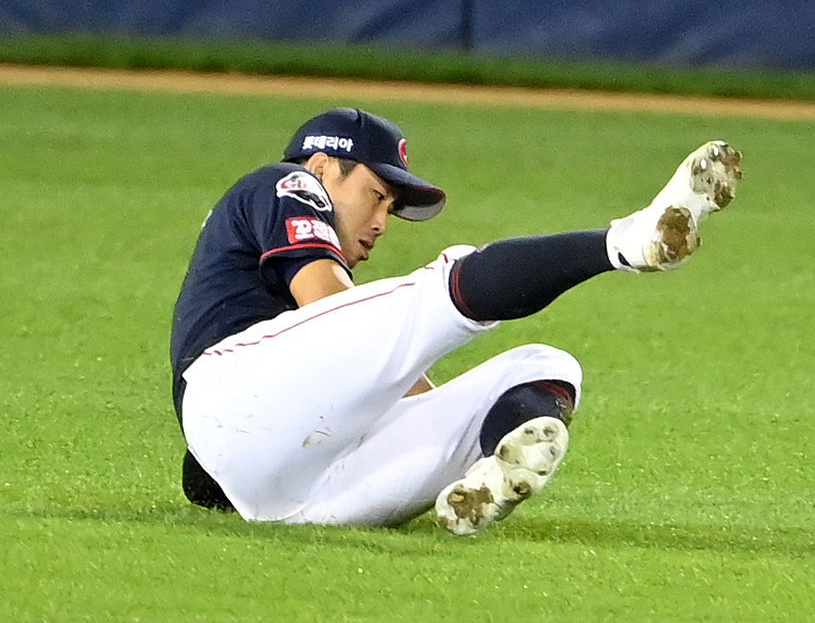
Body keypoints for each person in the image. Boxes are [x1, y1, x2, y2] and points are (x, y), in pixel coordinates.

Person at [170, 107, 742, 535]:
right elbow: (324, 302)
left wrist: (441, 420)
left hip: (291, 495)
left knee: (545, 367)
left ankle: (487, 478)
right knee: (449, 280)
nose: (382, 221)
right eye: (375, 194)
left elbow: (365, 361)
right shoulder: (287, 182)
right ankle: (628, 241)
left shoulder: (320, 341)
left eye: (390, 207)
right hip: (232, 393)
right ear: (324, 166)